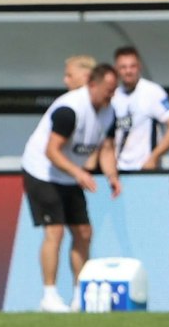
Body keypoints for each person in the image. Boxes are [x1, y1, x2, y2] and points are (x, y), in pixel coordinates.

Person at [20, 60, 121, 312]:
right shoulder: (69, 109)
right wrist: (79, 173)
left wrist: (112, 175)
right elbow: (51, 150)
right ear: (92, 84)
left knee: (84, 232)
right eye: (108, 88)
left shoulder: (110, 112)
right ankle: (49, 295)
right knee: (55, 232)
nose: (111, 93)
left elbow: (106, 148)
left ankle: (80, 294)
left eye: (114, 88)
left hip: (69, 175)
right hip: (42, 171)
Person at [106, 47, 169, 174]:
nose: (128, 71)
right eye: (123, 67)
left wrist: (154, 157)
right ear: (116, 70)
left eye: (132, 66)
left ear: (139, 67)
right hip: (118, 170)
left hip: (145, 170)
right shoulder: (114, 95)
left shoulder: (152, 92)